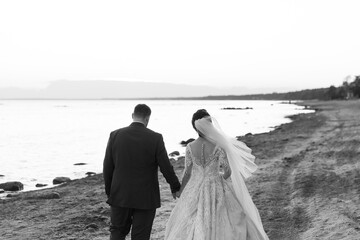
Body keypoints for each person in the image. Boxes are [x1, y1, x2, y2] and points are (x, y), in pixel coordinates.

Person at [164, 109, 269, 240]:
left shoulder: (190, 146)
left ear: (195, 127)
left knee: (189, 219)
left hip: (194, 186)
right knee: (228, 217)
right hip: (215, 184)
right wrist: (220, 179)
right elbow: (228, 171)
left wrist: (180, 191)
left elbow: (187, 172)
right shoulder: (218, 145)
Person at [103, 104, 181, 240]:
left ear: (132, 116)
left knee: (116, 232)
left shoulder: (115, 135)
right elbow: (166, 167)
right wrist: (175, 186)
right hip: (145, 197)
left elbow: (107, 167)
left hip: (120, 194)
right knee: (141, 236)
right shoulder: (155, 138)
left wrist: (110, 192)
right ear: (147, 118)